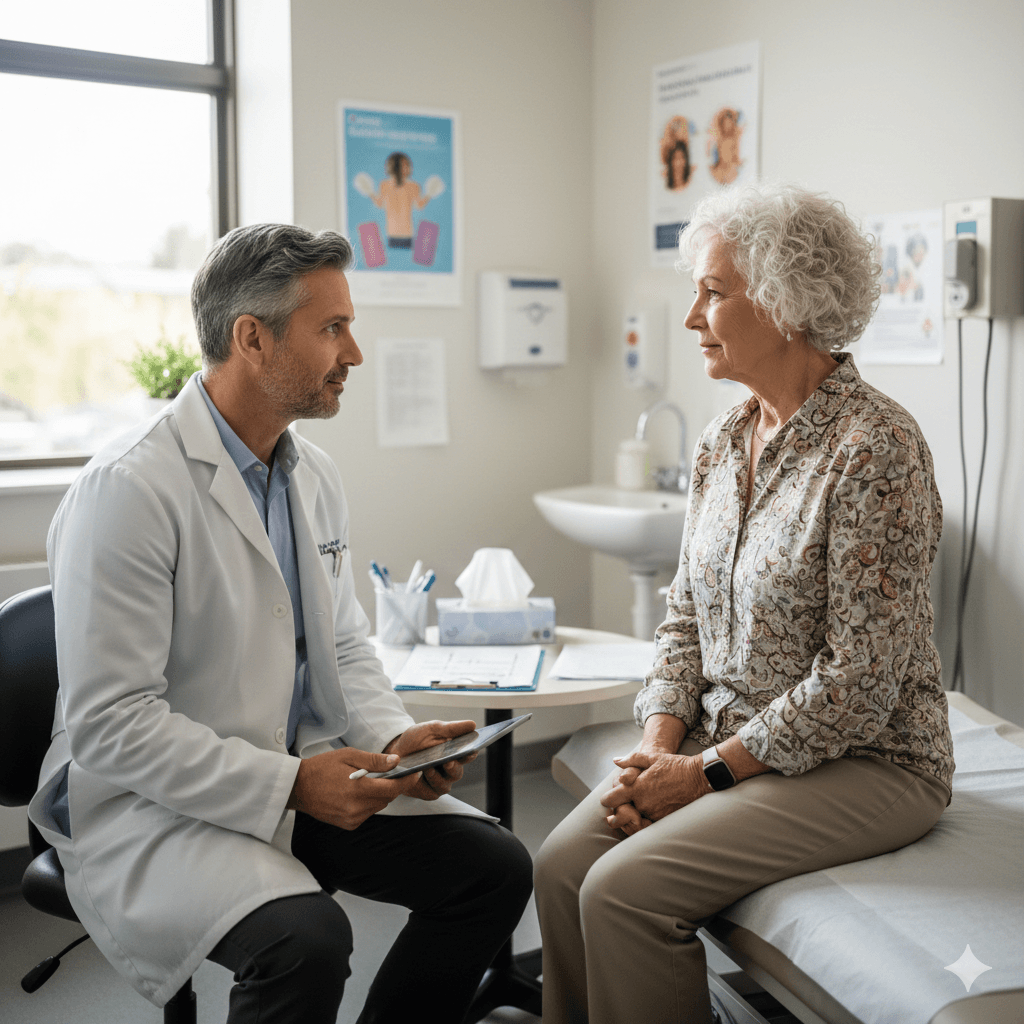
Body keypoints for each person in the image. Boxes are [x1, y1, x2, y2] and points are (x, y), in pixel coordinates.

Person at [28, 224, 533, 1024]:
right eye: (332, 328)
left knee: (494, 866)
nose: (354, 353)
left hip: (302, 772)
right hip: (156, 802)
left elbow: (341, 642)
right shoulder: (127, 490)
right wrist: (294, 782)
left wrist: (393, 739)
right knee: (306, 940)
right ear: (252, 339)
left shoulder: (311, 474)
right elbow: (110, 725)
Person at [534, 183, 954, 1024]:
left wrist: (704, 774)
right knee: (558, 865)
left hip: (868, 760)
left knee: (624, 891)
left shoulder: (877, 448)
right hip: (721, 739)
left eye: (714, 292)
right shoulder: (722, 440)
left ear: (787, 304)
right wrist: (659, 748)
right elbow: (684, 619)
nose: (693, 316)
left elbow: (860, 684)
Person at [372, 151, 430, 248]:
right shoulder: (385, 185)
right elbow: (420, 205)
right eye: (404, 165)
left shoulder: (413, 186)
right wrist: (429, 194)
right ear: (395, 166)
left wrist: (370, 193)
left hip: (405, 233)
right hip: (394, 233)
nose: (408, 168)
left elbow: (378, 203)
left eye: (408, 165)